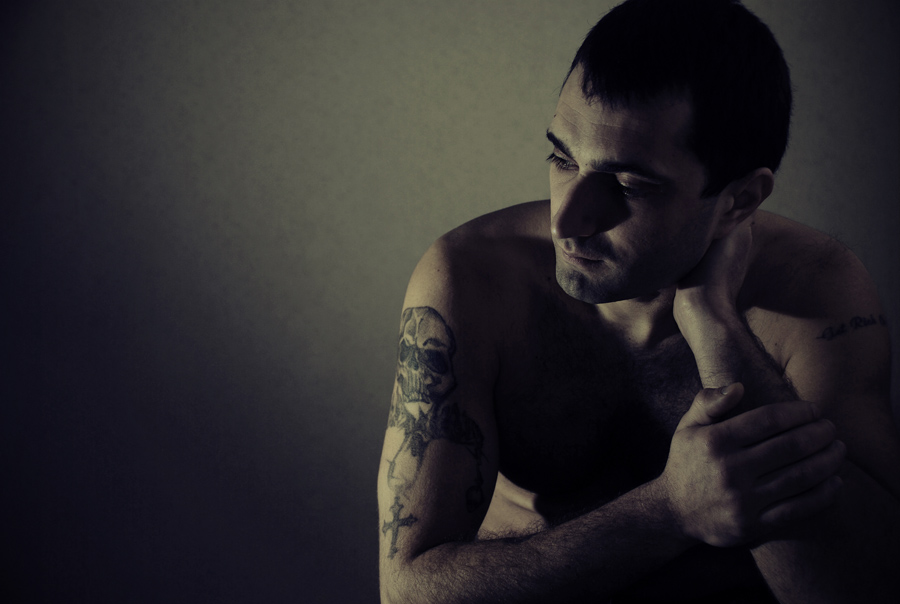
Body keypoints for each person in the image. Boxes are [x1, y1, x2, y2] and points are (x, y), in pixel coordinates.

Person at [376, 0, 900, 601]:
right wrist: (668, 511)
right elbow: (406, 591)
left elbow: (860, 589)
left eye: (628, 185)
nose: (566, 220)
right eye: (561, 158)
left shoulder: (812, 290)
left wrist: (714, 324)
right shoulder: (473, 280)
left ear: (737, 202)